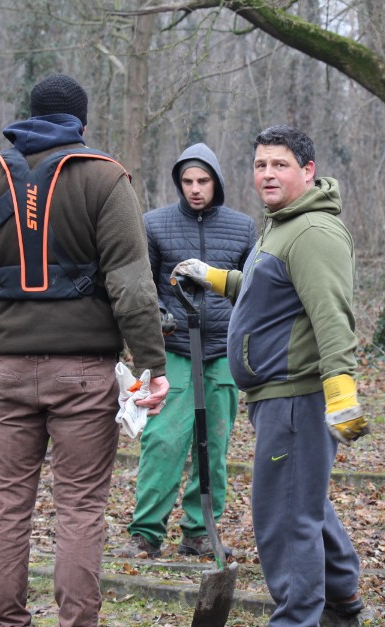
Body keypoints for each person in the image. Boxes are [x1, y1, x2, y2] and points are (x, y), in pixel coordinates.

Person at [0, 74, 169, 627]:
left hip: (7, 373)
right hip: (84, 375)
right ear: (81, 124)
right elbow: (131, 283)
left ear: (30, 117)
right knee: (81, 509)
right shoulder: (104, 179)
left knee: (6, 506)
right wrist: (152, 367)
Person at [171, 125, 368, 627]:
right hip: (279, 395)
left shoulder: (312, 232)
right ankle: (342, 596)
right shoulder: (283, 226)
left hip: (297, 396)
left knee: (285, 516)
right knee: (306, 501)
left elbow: (332, 313)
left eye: (280, 164)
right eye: (260, 165)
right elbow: (270, 293)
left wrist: (341, 386)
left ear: (308, 170)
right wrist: (214, 278)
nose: (267, 174)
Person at [112, 143, 255, 560]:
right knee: (163, 440)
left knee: (214, 444)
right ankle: (145, 533)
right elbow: (142, 282)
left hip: (221, 351)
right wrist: (160, 313)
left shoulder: (243, 228)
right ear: (179, 183)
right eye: (188, 181)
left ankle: (199, 531)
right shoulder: (154, 224)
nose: (195, 189)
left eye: (203, 181)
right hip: (172, 351)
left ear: (216, 182)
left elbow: (252, 289)